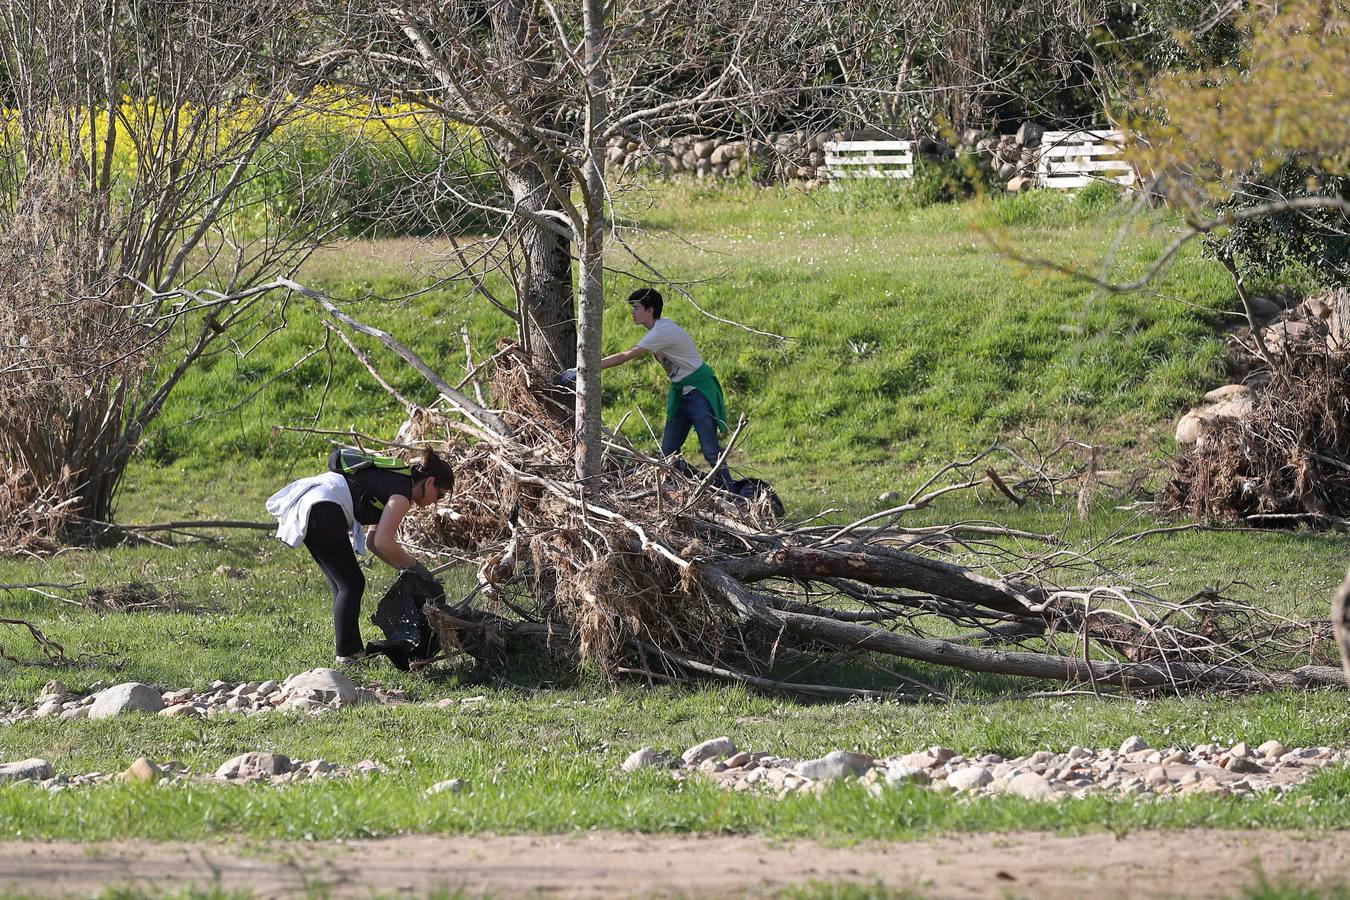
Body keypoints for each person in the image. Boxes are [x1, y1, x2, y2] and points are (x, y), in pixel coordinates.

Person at [266, 448, 453, 666]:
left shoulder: (395, 481)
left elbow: (374, 541)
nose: (436, 501)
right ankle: (346, 656)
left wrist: (407, 569)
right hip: (322, 506)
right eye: (439, 494)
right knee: (351, 584)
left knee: (344, 584)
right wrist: (415, 567)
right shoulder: (402, 494)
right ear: (430, 482)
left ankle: (353, 653)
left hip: (313, 502)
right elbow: (383, 542)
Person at [561, 288, 733, 490]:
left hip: (699, 392)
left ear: (650, 310)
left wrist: (581, 369)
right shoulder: (657, 331)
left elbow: (624, 356)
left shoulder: (662, 331)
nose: (632, 312)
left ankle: (732, 496)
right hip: (681, 393)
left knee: (711, 452)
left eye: (636, 307)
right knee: (668, 453)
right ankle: (673, 492)